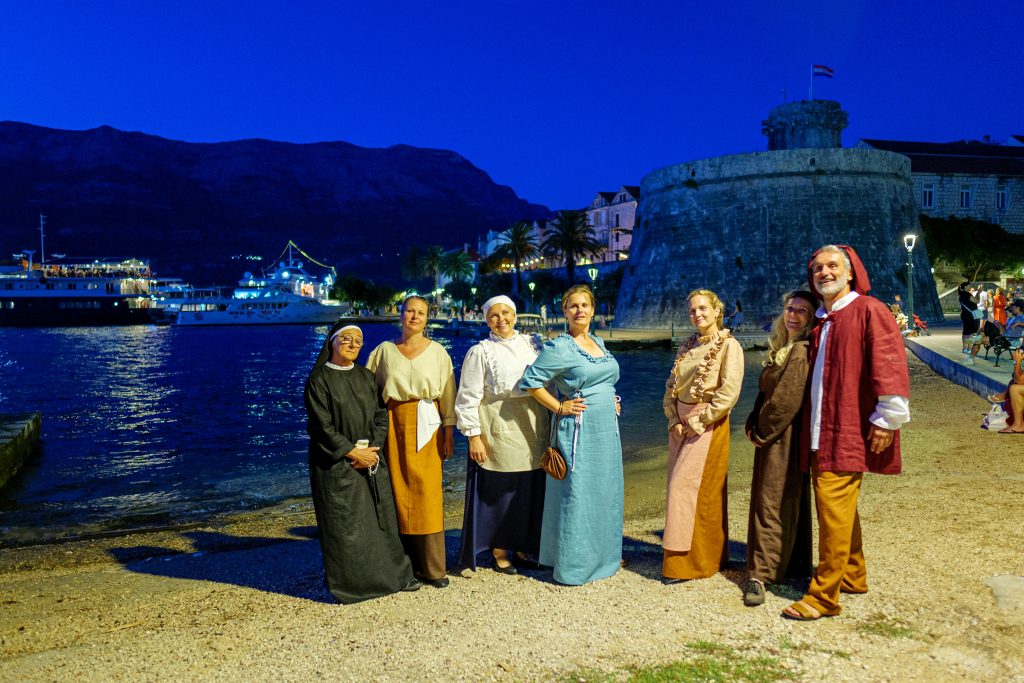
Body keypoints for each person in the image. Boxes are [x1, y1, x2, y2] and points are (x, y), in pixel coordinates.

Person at [783, 244, 910, 621]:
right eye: (817, 268)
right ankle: (853, 575)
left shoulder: (869, 310)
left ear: (851, 272)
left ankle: (824, 597)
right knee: (839, 510)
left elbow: (889, 361)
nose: (824, 272)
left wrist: (887, 418)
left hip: (846, 430)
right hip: (822, 430)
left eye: (832, 265)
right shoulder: (823, 321)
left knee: (832, 512)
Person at [304, 323, 421, 602]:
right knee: (345, 527)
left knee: (382, 521)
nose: (353, 344)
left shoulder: (366, 377)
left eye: (358, 341)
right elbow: (321, 427)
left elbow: (381, 416)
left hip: (371, 459)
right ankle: (352, 588)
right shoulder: (318, 380)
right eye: (346, 339)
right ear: (332, 342)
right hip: (335, 465)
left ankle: (395, 577)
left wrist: (373, 449)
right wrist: (352, 452)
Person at [520, 284, 623, 585]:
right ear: (564, 311)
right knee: (578, 493)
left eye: (584, 305)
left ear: (593, 309)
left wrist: (611, 399)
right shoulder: (560, 347)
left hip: (606, 430)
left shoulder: (598, 343)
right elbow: (531, 381)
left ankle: (604, 557)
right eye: (573, 306)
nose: (580, 310)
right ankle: (574, 564)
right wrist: (559, 406)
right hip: (579, 430)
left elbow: (604, 381)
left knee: (605, 490)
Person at [366, 296, 457, 588]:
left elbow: (448, 393)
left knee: (427, 493)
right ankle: (403, 568)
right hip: (392, 423)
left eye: (421, 312)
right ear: (401, 314)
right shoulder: (383, 351)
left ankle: (433, 568)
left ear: (427, 318)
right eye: (410, 311)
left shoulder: (438, 352)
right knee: (395, 491)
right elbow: (368, 392)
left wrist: (449, 429)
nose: (415, 316)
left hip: (428, 424)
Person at [455, 295, 548, 574]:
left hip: (533, 423)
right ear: (486, 321)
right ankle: (500, 549)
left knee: (528, 487)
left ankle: (523, 545)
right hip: (498, 425)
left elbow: (554, 380)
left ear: (515, 316)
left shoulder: (534, 344)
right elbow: (467, 397)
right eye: (493, 315)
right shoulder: (480, 352)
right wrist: (473, 436)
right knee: (501, 489)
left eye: (506, 313)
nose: (501, 319)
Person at [661, 289, 744, 584]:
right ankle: (701, 556)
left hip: (706, 424)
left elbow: (728, 392)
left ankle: (690, 562)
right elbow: (671, 385)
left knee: (688, 489)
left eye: (703, 308)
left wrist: (700, 420)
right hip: (680, 426)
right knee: (682, 488)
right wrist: (673, 418)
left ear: (717, 311)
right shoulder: (687, 346)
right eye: (692, 310)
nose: (697, 314)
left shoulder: (729, 346)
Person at [742, 291, 817, 606]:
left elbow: (787, 399)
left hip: (781, 437)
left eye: (802, 311)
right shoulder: (789, 346)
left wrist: (760, 431)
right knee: (787, 496)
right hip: (787, 436)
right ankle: (792, 564)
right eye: (790, 309)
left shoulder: (799, 350)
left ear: (811, 318)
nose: (793, 315)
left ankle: (760, 575)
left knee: (769, 500)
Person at [958, 283, 980, 353]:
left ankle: (964, 348)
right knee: (972, 332)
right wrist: (979, 293)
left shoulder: (961, 294)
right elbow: (977, 301)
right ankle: (969, 348)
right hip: (972, 315)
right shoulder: (967, 294)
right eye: (968, 285)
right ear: (965, 287)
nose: (970, 286)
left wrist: (978, 292)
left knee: (966, 332)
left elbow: (972, 301)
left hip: (965, 314)